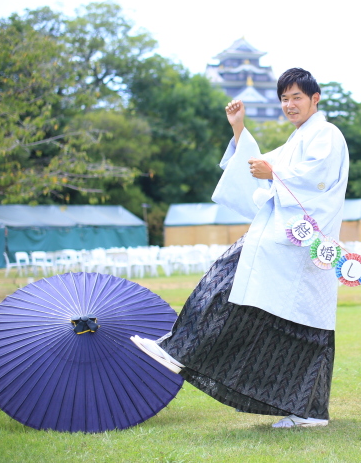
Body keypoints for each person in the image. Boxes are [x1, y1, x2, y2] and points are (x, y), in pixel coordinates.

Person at [133, 68, 349, 428]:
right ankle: (304, 409)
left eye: (297, 97)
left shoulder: (326, 134)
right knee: (273, 321)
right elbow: (257, 165)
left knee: (234, 289)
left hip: (301, 243)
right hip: (283, 241)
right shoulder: (299, 138)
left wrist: (274, 174)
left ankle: (181, 349)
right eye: (284, 98)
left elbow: (317, 179)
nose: (289, 104)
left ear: (315, 98)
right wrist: (238, 129)